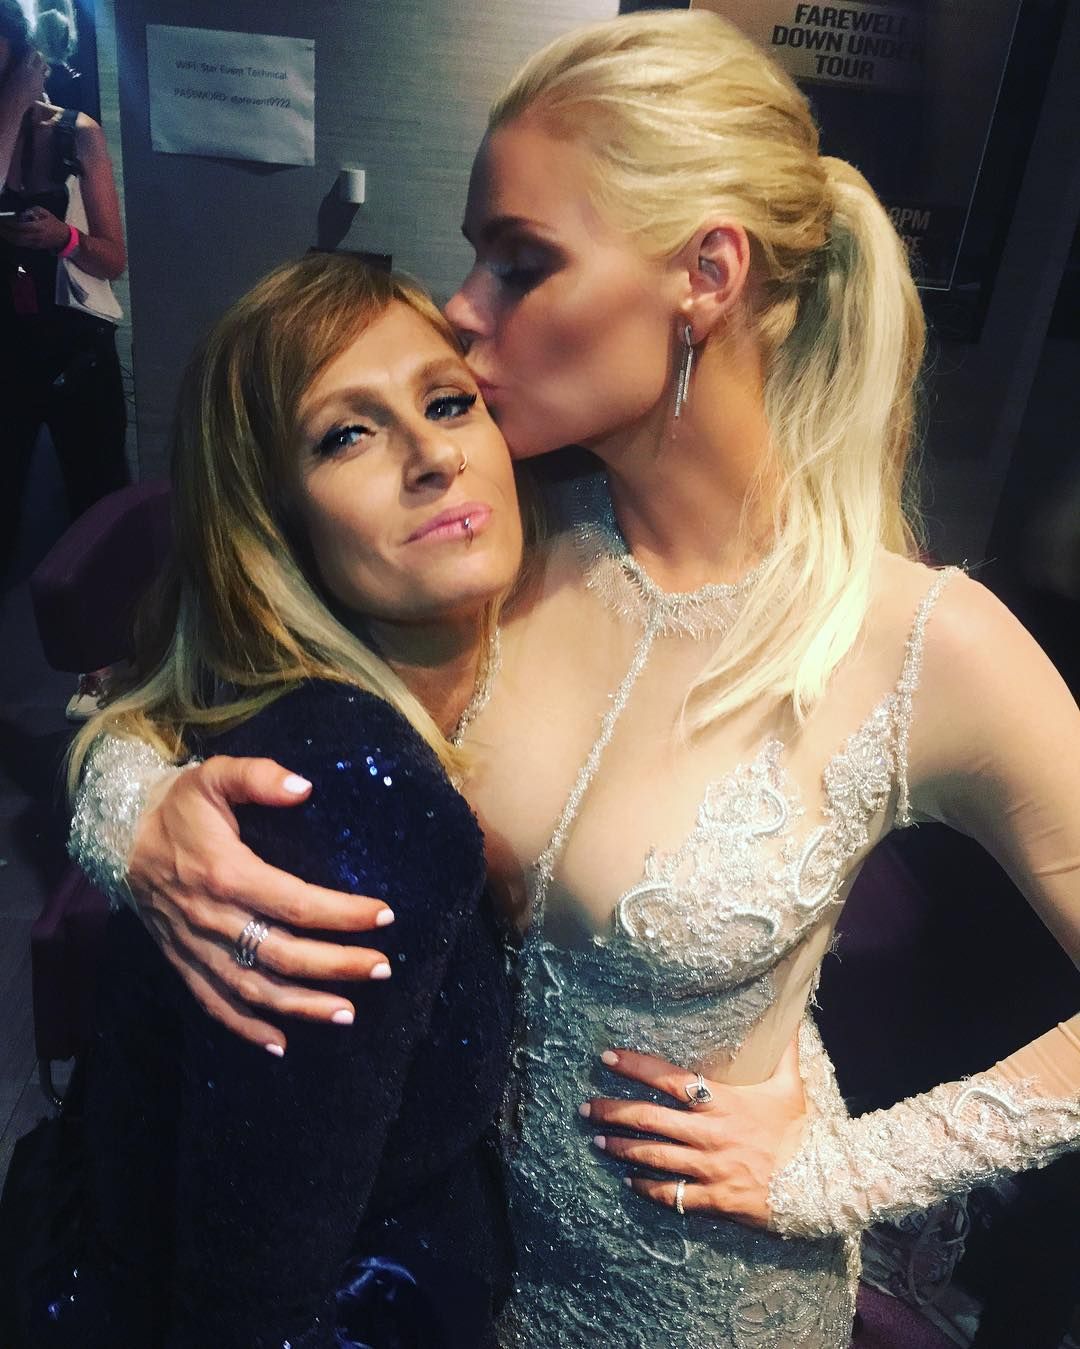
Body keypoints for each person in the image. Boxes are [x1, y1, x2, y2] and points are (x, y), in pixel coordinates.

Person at [69, 12, 1080, 1347]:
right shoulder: (501, 533)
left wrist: (842, 1172)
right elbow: (185, 677)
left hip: (702, 1297)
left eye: (520, 262)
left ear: (705, 275)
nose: (460, 307)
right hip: (455, 1279)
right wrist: (137, 818)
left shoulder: (922, 639)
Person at [10, 253, 522, 1347]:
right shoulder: (351, 794)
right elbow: (249, 1303)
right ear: (274, 520)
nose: (435, 454)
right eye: (348, 434)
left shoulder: (547, 585)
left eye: (448, 401)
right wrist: (122, 806)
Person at [0, 0, 128, 585]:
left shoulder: (77, 132)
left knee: (100, 504)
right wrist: (11, 103)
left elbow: (113, 259)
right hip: (8, 350)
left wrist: (63, 237)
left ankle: (115, 628)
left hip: (74, 346)